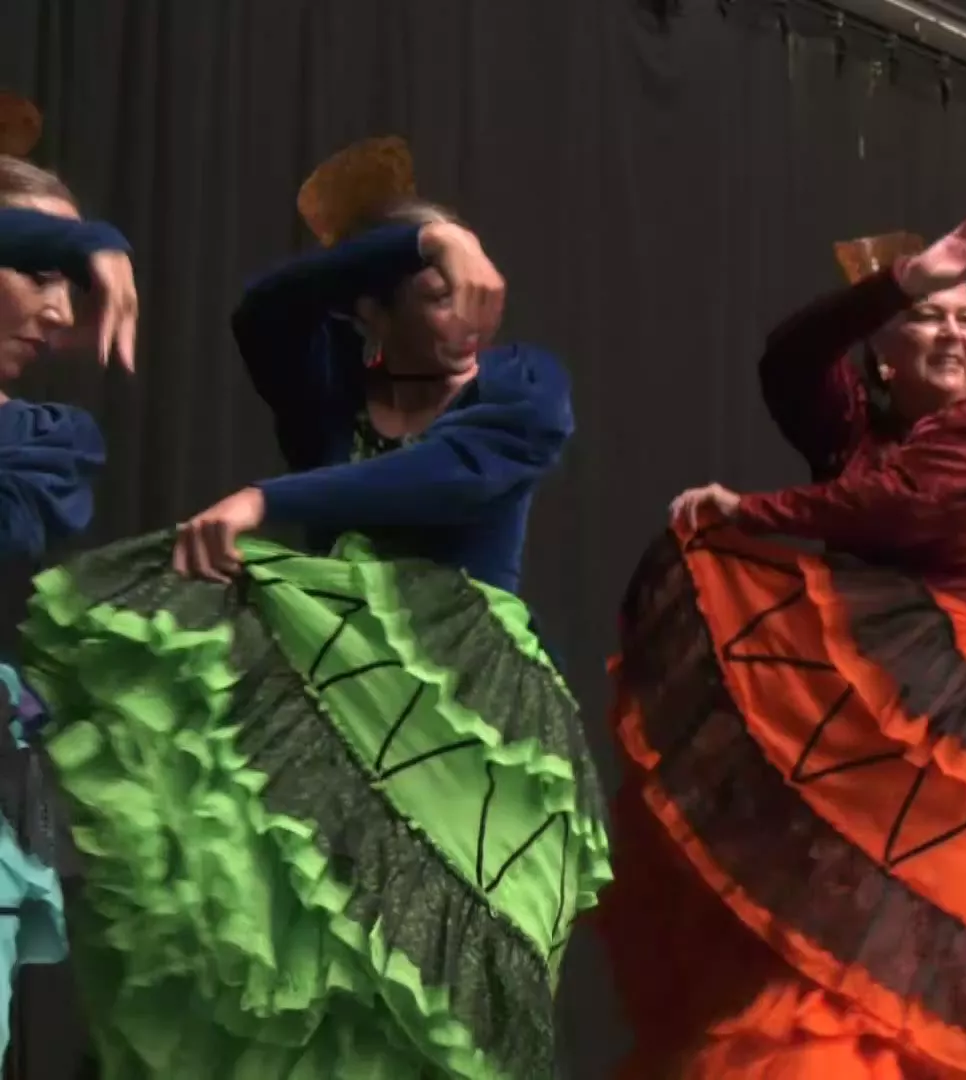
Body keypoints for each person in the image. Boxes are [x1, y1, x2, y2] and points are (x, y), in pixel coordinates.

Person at [19, 136, 609, 1079]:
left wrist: (270, 499)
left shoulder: (521, 386)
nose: (469, 317)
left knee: (444, 984)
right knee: (315, 961)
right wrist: (424, 240)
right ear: (371, 311)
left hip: (468, 726)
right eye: (439, 296)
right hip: (327, 703)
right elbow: (264, 310)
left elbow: (453, 475)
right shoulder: (332, 387)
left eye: (475, 293)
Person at [602, 214, 966, 1079]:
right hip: (866, 729)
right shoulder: (855, 429)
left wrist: (753, 511)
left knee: (948, 959)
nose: (953, 333)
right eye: (930, 317)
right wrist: (899, 282)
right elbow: (786, 361)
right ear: (882, 351)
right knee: (840, 957)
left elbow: (900, 504)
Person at [0, 95, 134, 1062]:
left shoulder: (40, 445)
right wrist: (99, 242)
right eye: (39, 270)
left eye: (72, 283)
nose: (61, 310)